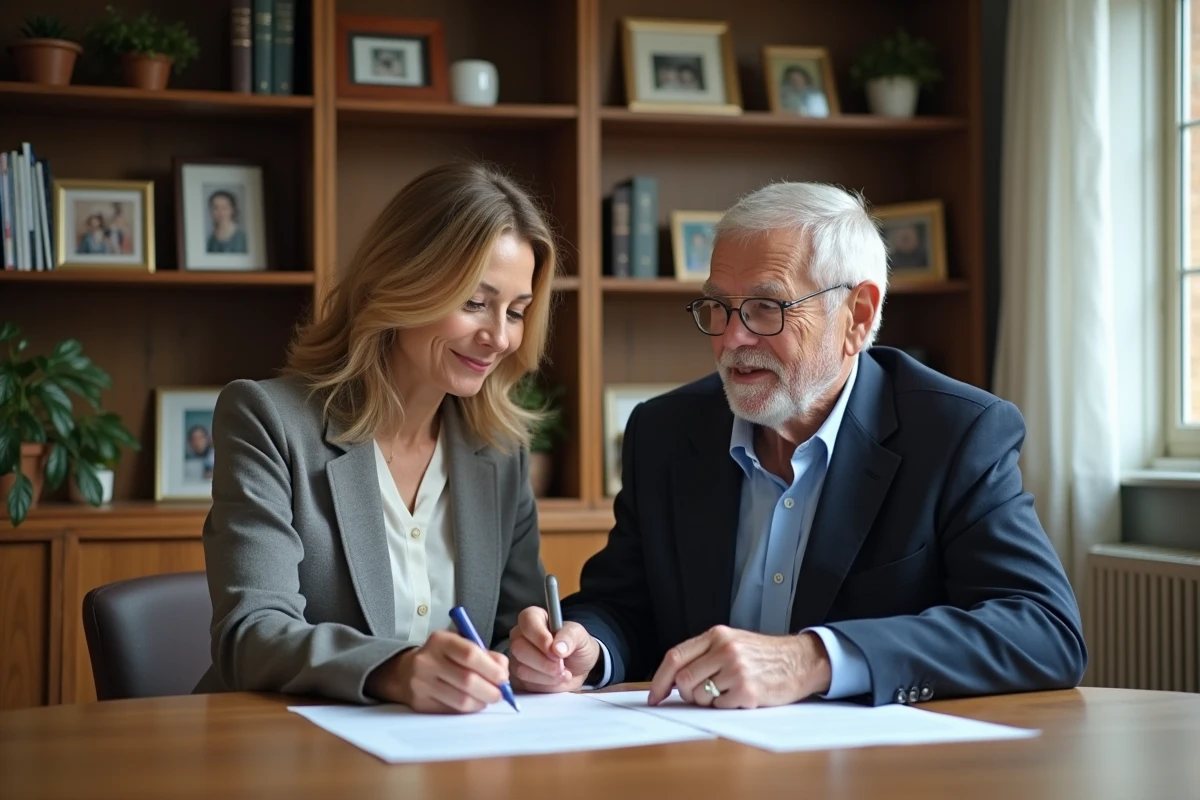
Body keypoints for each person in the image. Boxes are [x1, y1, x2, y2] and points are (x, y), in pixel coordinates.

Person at [508, 181, 1086, 709]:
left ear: (857, 316)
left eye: (766, 307)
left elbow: (1042, 630)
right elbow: (623, 605)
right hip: (698, 761)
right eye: (719, 307)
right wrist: (585, 647)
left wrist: (816, 658)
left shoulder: (954, 432)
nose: (732, 338)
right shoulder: (664, 432)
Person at [195, 162, 559, 713]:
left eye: (517, 311)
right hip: (284, 753)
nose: (500, 337)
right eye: (475, 303)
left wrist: (536, 652)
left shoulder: (500, 450)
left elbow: (511, 630)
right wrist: (396, 670)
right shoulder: (267, 420)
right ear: (403, 283)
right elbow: (251, 632)